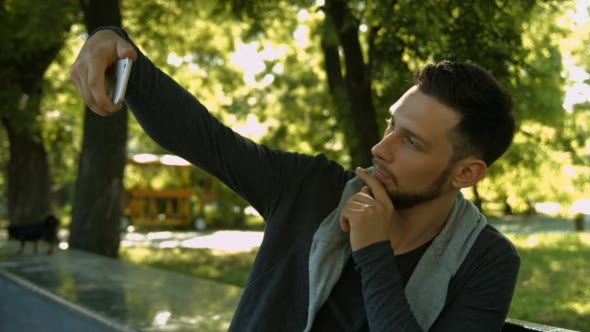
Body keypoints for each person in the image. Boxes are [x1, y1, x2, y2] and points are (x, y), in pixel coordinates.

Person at [70, 27, 520, 332]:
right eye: (390, 126)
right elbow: (203, 137)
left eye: (413, 142)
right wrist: (113, 43)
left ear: (465, 173)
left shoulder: (485, 261)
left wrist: (373, 253)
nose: (382, 148)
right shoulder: (309, 188)